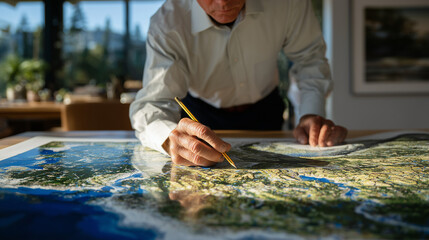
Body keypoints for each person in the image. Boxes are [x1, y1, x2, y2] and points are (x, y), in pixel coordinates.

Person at [130, 0, 348, 167]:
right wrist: (169, 137)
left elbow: (309, 61)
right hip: (199, 118)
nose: (223, 3)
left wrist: (310, 113)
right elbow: (152, 104)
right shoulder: (167, 23)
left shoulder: (288, 3)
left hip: (266, 111)